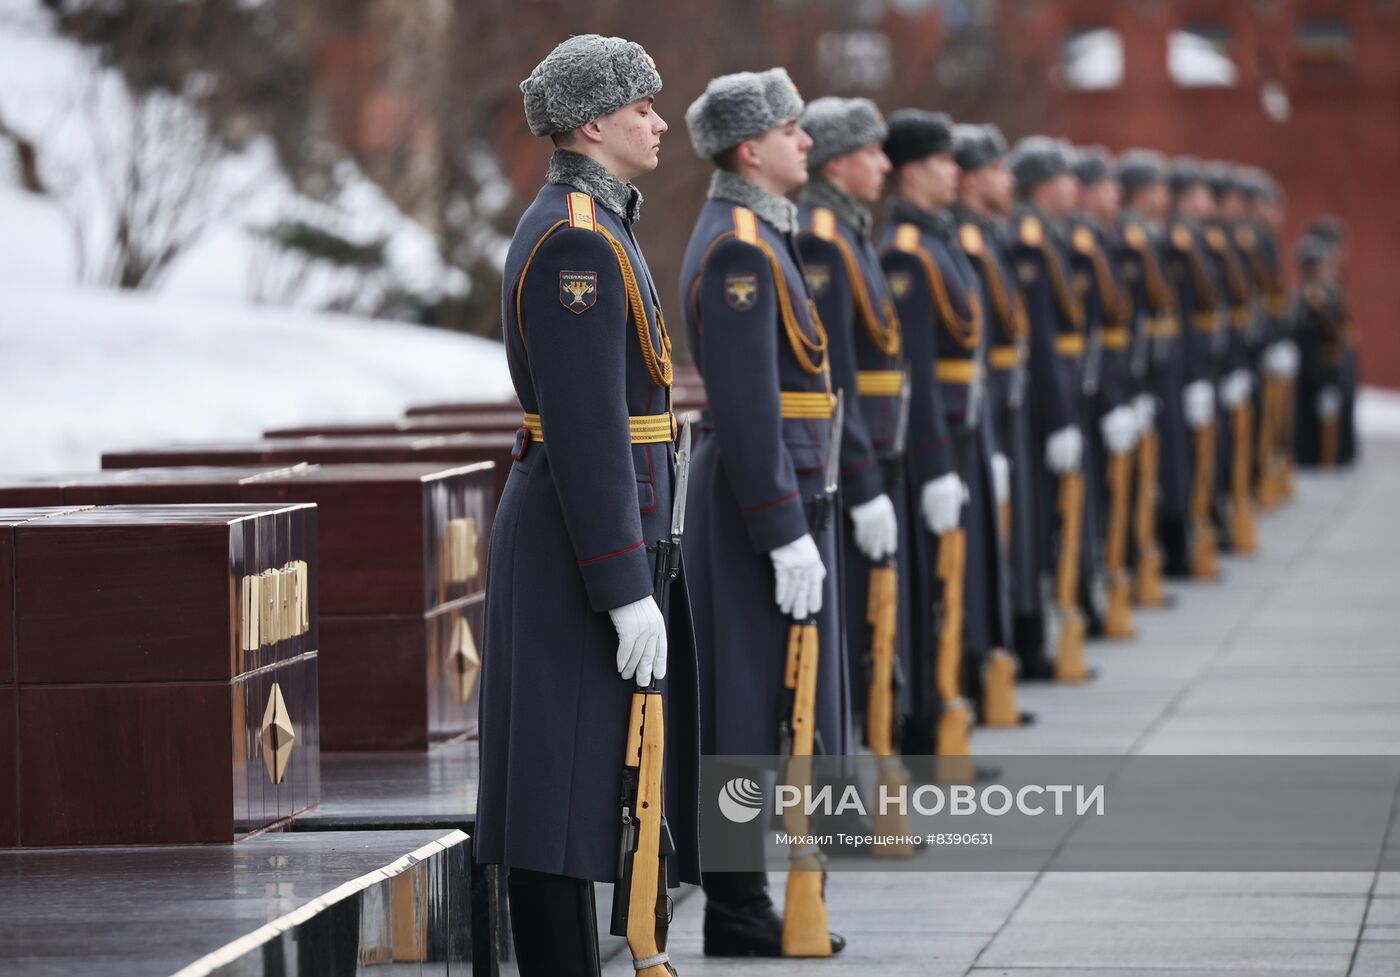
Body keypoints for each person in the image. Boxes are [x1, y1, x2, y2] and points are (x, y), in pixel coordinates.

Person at [474, 35, 700, 977]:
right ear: (591, 123)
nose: (657, 120)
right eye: (640, 105)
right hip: (579, 537)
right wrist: (620, 583)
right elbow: (585, 426)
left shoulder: (601, 223)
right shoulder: (576, 237)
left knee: (580, 779)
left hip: (601, 527)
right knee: (557, 791)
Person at [679, 67, 847, 958]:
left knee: (762, 699)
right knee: (743, 703)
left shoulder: (761, 233)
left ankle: (745, 901)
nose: (806, 142)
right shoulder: (742, 246)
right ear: (752, 148)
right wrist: (783, 526)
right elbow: (747, 406)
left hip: (775, 484)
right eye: (792, 129)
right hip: (755, 495)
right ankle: (738, 905)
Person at [880, 109, 1024, 741]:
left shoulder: (939, 242)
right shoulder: (909, 253)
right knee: (940, 584)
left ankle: (950, 712)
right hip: (934, 442)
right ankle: (931, 727)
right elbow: (918, 370)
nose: (954, 173)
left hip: (967, 429)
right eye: (942, 162)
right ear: (913, 172)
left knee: (963, 577)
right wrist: (937, 464)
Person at [793, 97, 906, 739]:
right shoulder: (822, 240)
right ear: (837, 164)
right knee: (855, 635)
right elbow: (834, 377)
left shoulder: (848, 231)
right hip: (851, 458)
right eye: (870, 151)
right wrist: (863, 483)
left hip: (875, 447)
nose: (883, 164)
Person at [950, 123, 1063, 680]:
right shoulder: (967, 243)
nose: (1007, 179)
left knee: (1019, 536)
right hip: (984, 407)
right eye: (995, 169)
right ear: (970, 180)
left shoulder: (987, 237)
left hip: (1003, 402)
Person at [1006, 136, 1093, 679]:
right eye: (1063, 177)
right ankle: (1030, 642)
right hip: (1037, 401)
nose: (1074, 187)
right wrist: (1059, 415)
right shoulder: (1030, 241)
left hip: (1054, 391)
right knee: (1032, 525)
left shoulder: (1051, 235)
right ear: (1042, 185)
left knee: (1046, 523)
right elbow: (1038, 335)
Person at [1069, 145, 1139, 638]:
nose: (1117, 195)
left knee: (1101, 502)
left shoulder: (1100, 240)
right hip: (1084, 391)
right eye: (1106, 185)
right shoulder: (1075, 244)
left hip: (1104, 383)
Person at [1114, 149, 1183, 598]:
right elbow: (1129, 316)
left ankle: (1155, 557)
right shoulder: (1129, 239)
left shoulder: (1149, 235)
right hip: (1142, 370)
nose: (1164, 196)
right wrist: (1133, 383)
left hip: (1161, 362)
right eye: (1156, 187)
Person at [1165, 156, 1225, 579]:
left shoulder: (1195, 240)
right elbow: (1180, 316)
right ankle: (1176, 551)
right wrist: (1192, 374)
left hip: (1200, 361)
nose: (1208, 202)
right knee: (1175, 465)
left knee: (1194, 463)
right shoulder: (1175, 244)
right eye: (1200, 194)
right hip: (1179, 365)